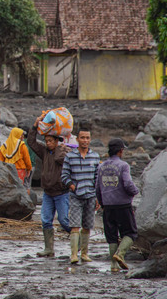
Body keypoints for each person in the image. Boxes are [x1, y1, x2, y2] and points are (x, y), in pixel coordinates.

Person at [28, 114, 71, 258]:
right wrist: (35, 125)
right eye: (46, 141)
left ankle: (79, 242)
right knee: (46, 220)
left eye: (50, 141)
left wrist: (59, 146)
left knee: (64, 220)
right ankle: (49, 249)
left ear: (57, 141)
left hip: (61, 193)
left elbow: (59, 158)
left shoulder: (64, 152)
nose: (47, 143)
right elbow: (31, 142)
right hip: (48, 193)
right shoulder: (45, 152)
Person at [96, 138, 139, 271]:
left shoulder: (101, 166)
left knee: (112, 236)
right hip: (123, 205)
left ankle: (113, 266)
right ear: (121, 151)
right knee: (131, 233)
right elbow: (127, 183)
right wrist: (135, 191)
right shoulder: (123, 166)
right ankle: (120, 254)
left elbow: (97, 188)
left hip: (108, 206)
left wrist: (102, 203)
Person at [62, 128, 100, 264]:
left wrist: (97, 197)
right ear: (77, 139)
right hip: (76, 196)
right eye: (82, 137)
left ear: (90, 139)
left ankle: (84, 253)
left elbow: (97, 178)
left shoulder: (95, 156)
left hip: (90, 196)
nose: (85, 140)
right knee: (74, 226)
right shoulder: (70, 156)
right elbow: (64, 176)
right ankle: (73, 255)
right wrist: (73, 187)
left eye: (87, 138)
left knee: (87, 226)